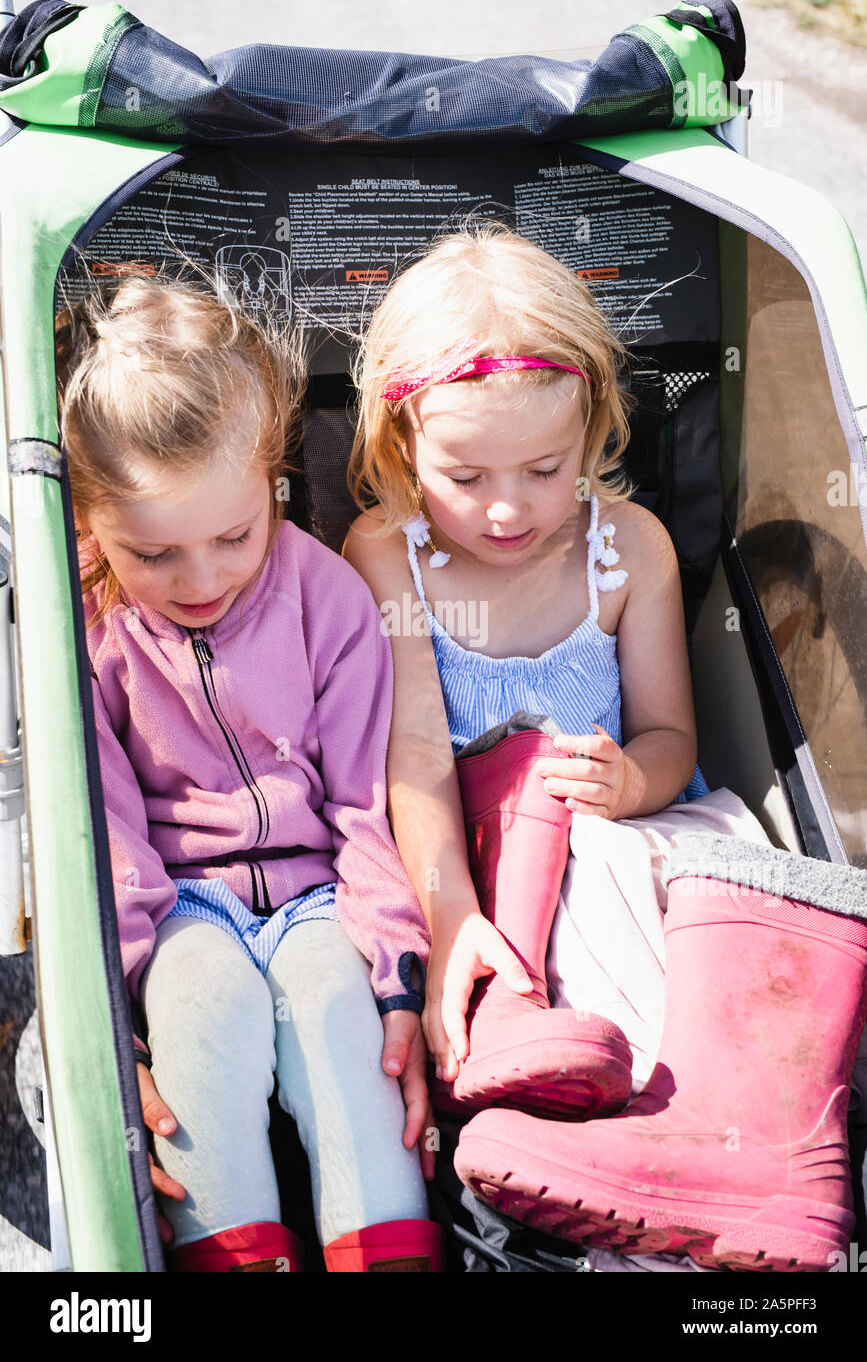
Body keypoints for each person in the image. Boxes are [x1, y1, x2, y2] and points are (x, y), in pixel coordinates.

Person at [340, 221, 867, 1270]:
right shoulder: (387, 558)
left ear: (593, 430)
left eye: (544, 468)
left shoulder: (627, 550)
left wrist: (631, 780)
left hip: (628, 831)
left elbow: (674, 737)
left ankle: (713, 1143)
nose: (505, 506)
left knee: (644, 872)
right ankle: (661, 1158)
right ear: (403, 446)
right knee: (566, 882)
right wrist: (451, 920)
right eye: (465, 473)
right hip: (483, 861)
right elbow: (414, 758)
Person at [56, 272, 443, 1273]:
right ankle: (232, 1250)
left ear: (271, 475)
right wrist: (117, 1021)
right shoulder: (92, 633)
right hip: (180, 899)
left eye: (233, 536)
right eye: (153, 553)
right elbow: (107, 833)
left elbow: (367, 804)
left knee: (342, 1018)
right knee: (198, 1014)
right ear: (89, 524)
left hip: (319, 890)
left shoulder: (330, 599)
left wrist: (399, 974)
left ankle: (385, 1247)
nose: (201, 579)